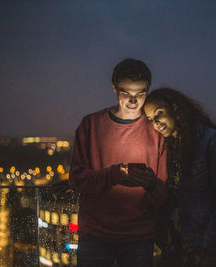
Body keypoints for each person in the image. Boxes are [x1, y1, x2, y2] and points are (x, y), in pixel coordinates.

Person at [68, 59, 167, 267]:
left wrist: (149, 184)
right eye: (126, 92)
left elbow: (163, 193)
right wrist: (114, 175)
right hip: (95, 235)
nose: (133, 100)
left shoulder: (157, 131)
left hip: (139, 237)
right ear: (114, 88)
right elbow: (76, 180)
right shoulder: (90, 125)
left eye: (141, 93)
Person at [144, 88, 216, 267]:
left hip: (205, 248)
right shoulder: (167, 149)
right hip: (176, 248)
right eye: (150, 119)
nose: (156, 122)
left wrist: (212, 249)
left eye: (159, 113)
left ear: (175, 107)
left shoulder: (212, 141)